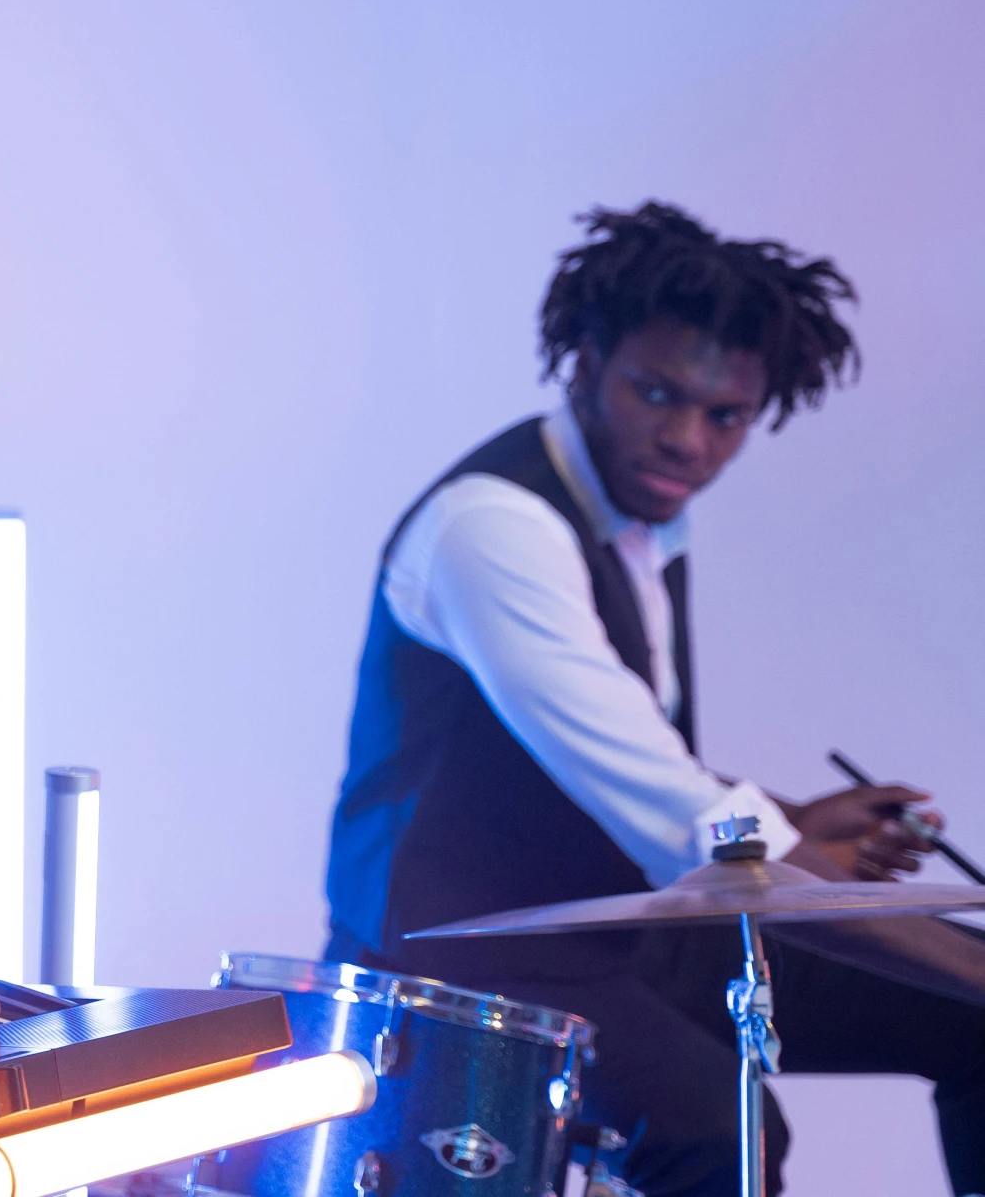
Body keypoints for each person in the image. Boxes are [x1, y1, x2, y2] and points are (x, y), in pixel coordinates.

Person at [322, 203, 985, 1196]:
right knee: (723, 1134)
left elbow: (632, 765)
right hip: (456, 965)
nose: (686, 440)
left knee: (961, 1011)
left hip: (612, 934)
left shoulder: (635, 515)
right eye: (656, 393)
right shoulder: (495, 530)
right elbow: (681, 817)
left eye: (725, 417)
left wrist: (795, 821)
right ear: (584, 361)